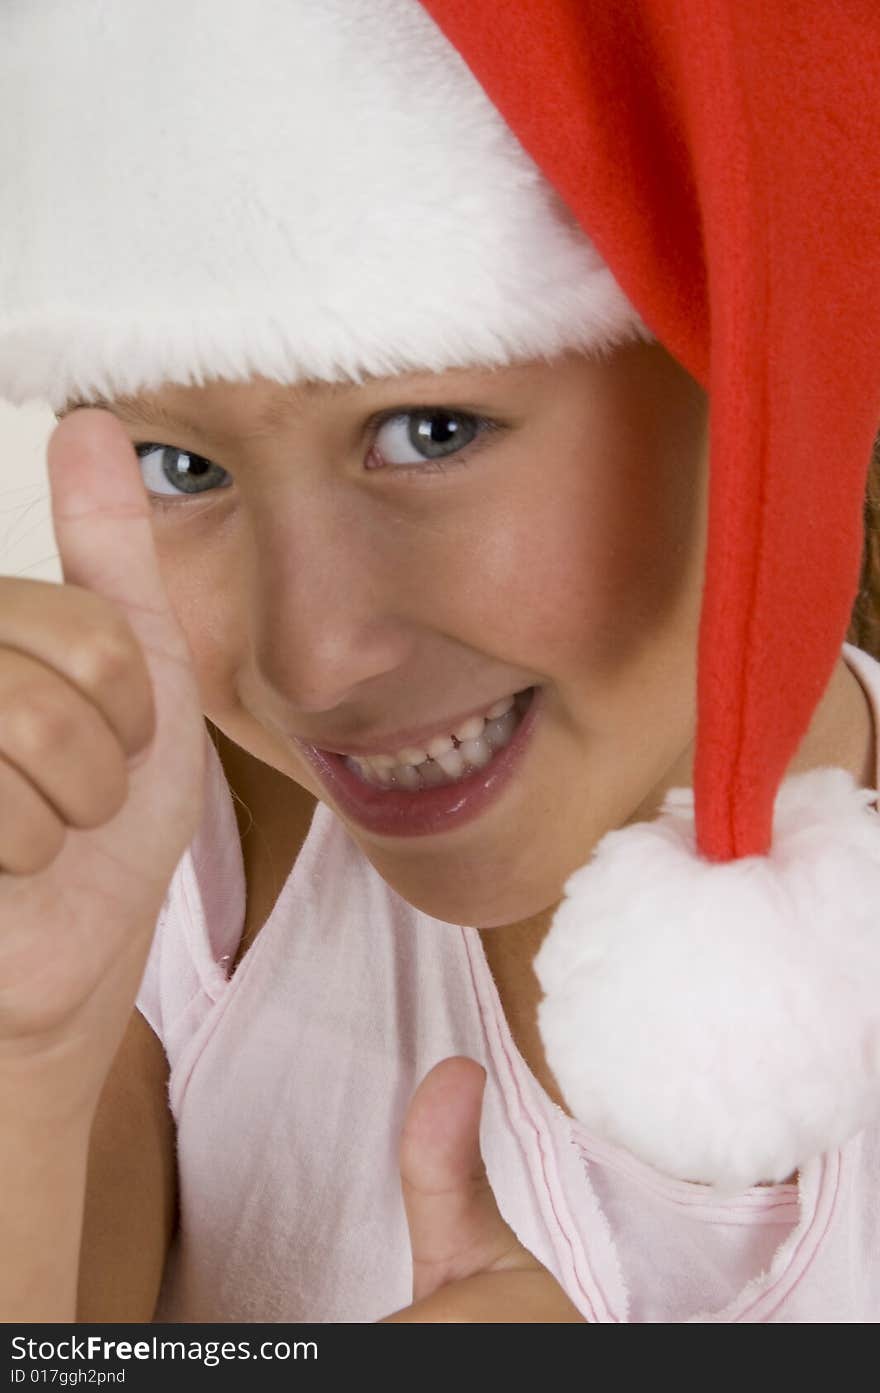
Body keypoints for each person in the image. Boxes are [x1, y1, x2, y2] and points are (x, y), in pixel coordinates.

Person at [1, 0, 879, 1324]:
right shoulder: (163, 872)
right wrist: (31, 1073)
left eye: (430, 430)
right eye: (180, 466)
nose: (312, 664)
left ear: (763, 376)